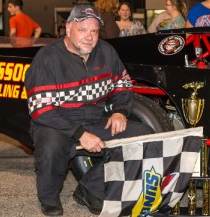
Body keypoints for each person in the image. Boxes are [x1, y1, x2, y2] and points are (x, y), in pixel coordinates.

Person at [24, 4, 154, 216]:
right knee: (50, 145)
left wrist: (120, 111)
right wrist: (80, 134)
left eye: (93, 31)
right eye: (82, 30)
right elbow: (41, 109)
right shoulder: (47, 58)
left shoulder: (107, 51)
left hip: (94, 118)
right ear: (68, 29)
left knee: (144, 137)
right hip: (56, 123)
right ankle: (48, 199)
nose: (89, 37)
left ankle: (90, 189)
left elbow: (122, 85)